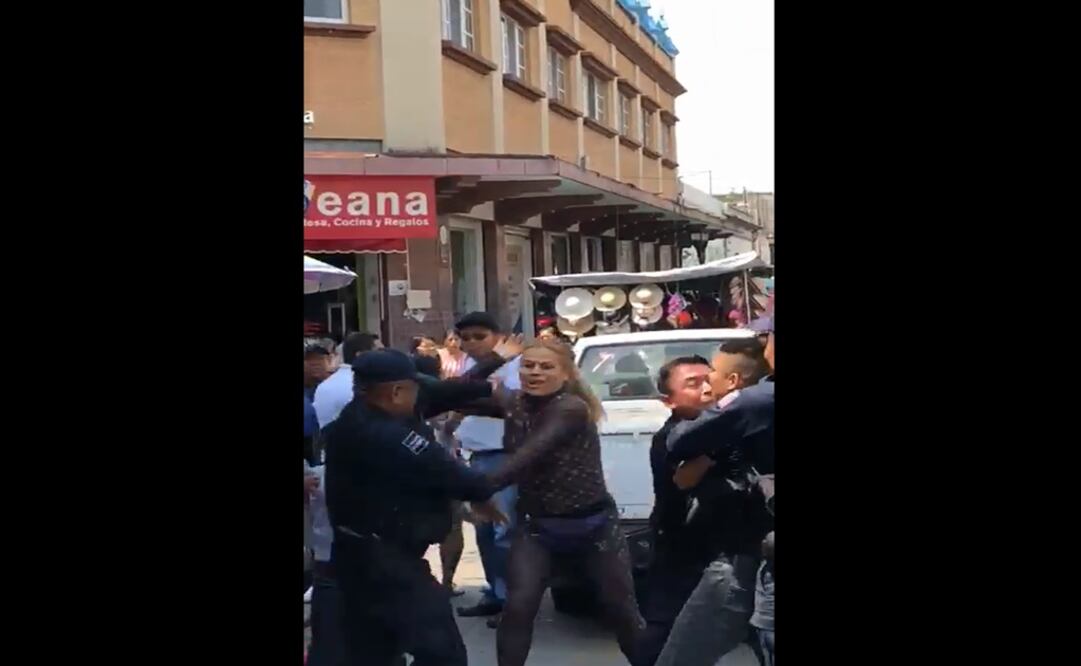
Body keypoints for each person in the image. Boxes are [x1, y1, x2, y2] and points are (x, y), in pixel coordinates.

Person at [462, 339, 645, 666]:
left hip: (594, 527)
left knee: (621, 610)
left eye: (546, 366)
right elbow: (458, 391)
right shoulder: (516, 402)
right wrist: (493, 359)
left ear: (565, 374)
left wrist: (475, 489)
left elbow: (525, 458)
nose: (535, 372)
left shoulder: (570, 408)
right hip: (538, 527)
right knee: (517, 608)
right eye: (528, 365)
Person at [323, 349, 510, 666]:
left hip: (366, 554)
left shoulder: (371, 410)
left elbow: (443, 392)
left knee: (374, 651)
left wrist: (486, 387)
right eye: (414, 389)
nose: (420, 395)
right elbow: (443, 469)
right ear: (396, 391)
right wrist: (483, 491)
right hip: (383, 560)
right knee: (442, 651)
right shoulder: (380, 432)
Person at [653, 329, 775, 666]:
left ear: (733, 381)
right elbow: (679, 476)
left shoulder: (751, 406)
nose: (707, 386)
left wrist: (724, 415)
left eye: (712, 377)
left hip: (744, 557)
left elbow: (684, 446)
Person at [634, 356, 717, 666]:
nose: (707, 389)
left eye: (710, 379)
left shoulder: (735, 422)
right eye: (693, 384)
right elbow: (684, 480)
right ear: (668, 401)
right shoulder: (674, 436)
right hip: (681, 545)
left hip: (729, 544)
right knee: (666, 628)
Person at [452, 312, 523, 622]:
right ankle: (495, 593)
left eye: (478, 337)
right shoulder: (471, 366)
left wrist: (463, 401)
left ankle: (514, 603)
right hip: (476, 456)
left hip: (504, 457)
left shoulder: (516, 365)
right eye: (464, 338)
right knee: (483, 532)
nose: (470, 344)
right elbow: (459, 394)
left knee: (504, 532)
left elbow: (511, 407)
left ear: (499, 335)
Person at [313, 332, 381, 429]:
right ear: (360, 355)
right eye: (378, 352)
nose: (383, 356)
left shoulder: (326, 384)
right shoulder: (360, 387)